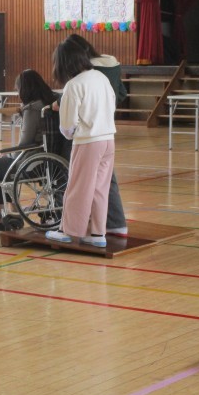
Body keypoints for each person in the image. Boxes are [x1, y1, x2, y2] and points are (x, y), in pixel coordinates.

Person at [45, 38, 116, 248]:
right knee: (99, 189)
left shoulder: (74, 85)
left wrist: (71, 134)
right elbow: (112, 106)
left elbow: (67, 125)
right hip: (108, 139)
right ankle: (98, 233)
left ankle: (67, 231)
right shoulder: (101, 77)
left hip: (88, 142)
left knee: (78, 187)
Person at [0, 69, 59, 234]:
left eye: (17, 88)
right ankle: (13, 212)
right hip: (51, 159)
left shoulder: (32, 109)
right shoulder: (50, 103)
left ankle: (1, 215)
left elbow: (25, 142)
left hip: (33, 162)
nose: (17, 92)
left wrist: (9, 155)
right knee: (4, 164)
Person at [67, 33, 128, 236]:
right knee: (104, 183)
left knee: (81, 185)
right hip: (107, 129)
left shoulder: (86, 73)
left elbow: (72, 111)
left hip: (89, 133)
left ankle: (72, 230)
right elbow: (121, 93)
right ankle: (103, 230)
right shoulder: (111, 64)